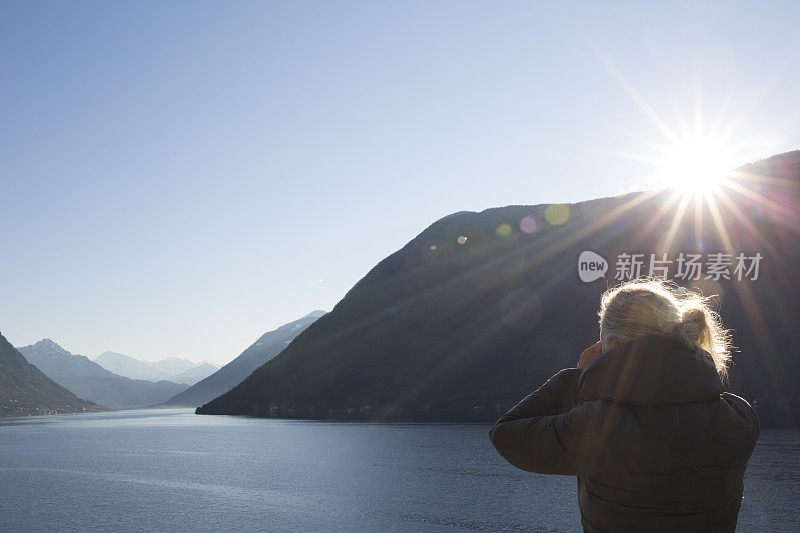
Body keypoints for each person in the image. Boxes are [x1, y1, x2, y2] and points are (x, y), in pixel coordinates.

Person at [488, 278, 760, 533]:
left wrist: (575, 378)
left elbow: (506, 434)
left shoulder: (600, 426)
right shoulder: (739, 418)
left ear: (615, 345)